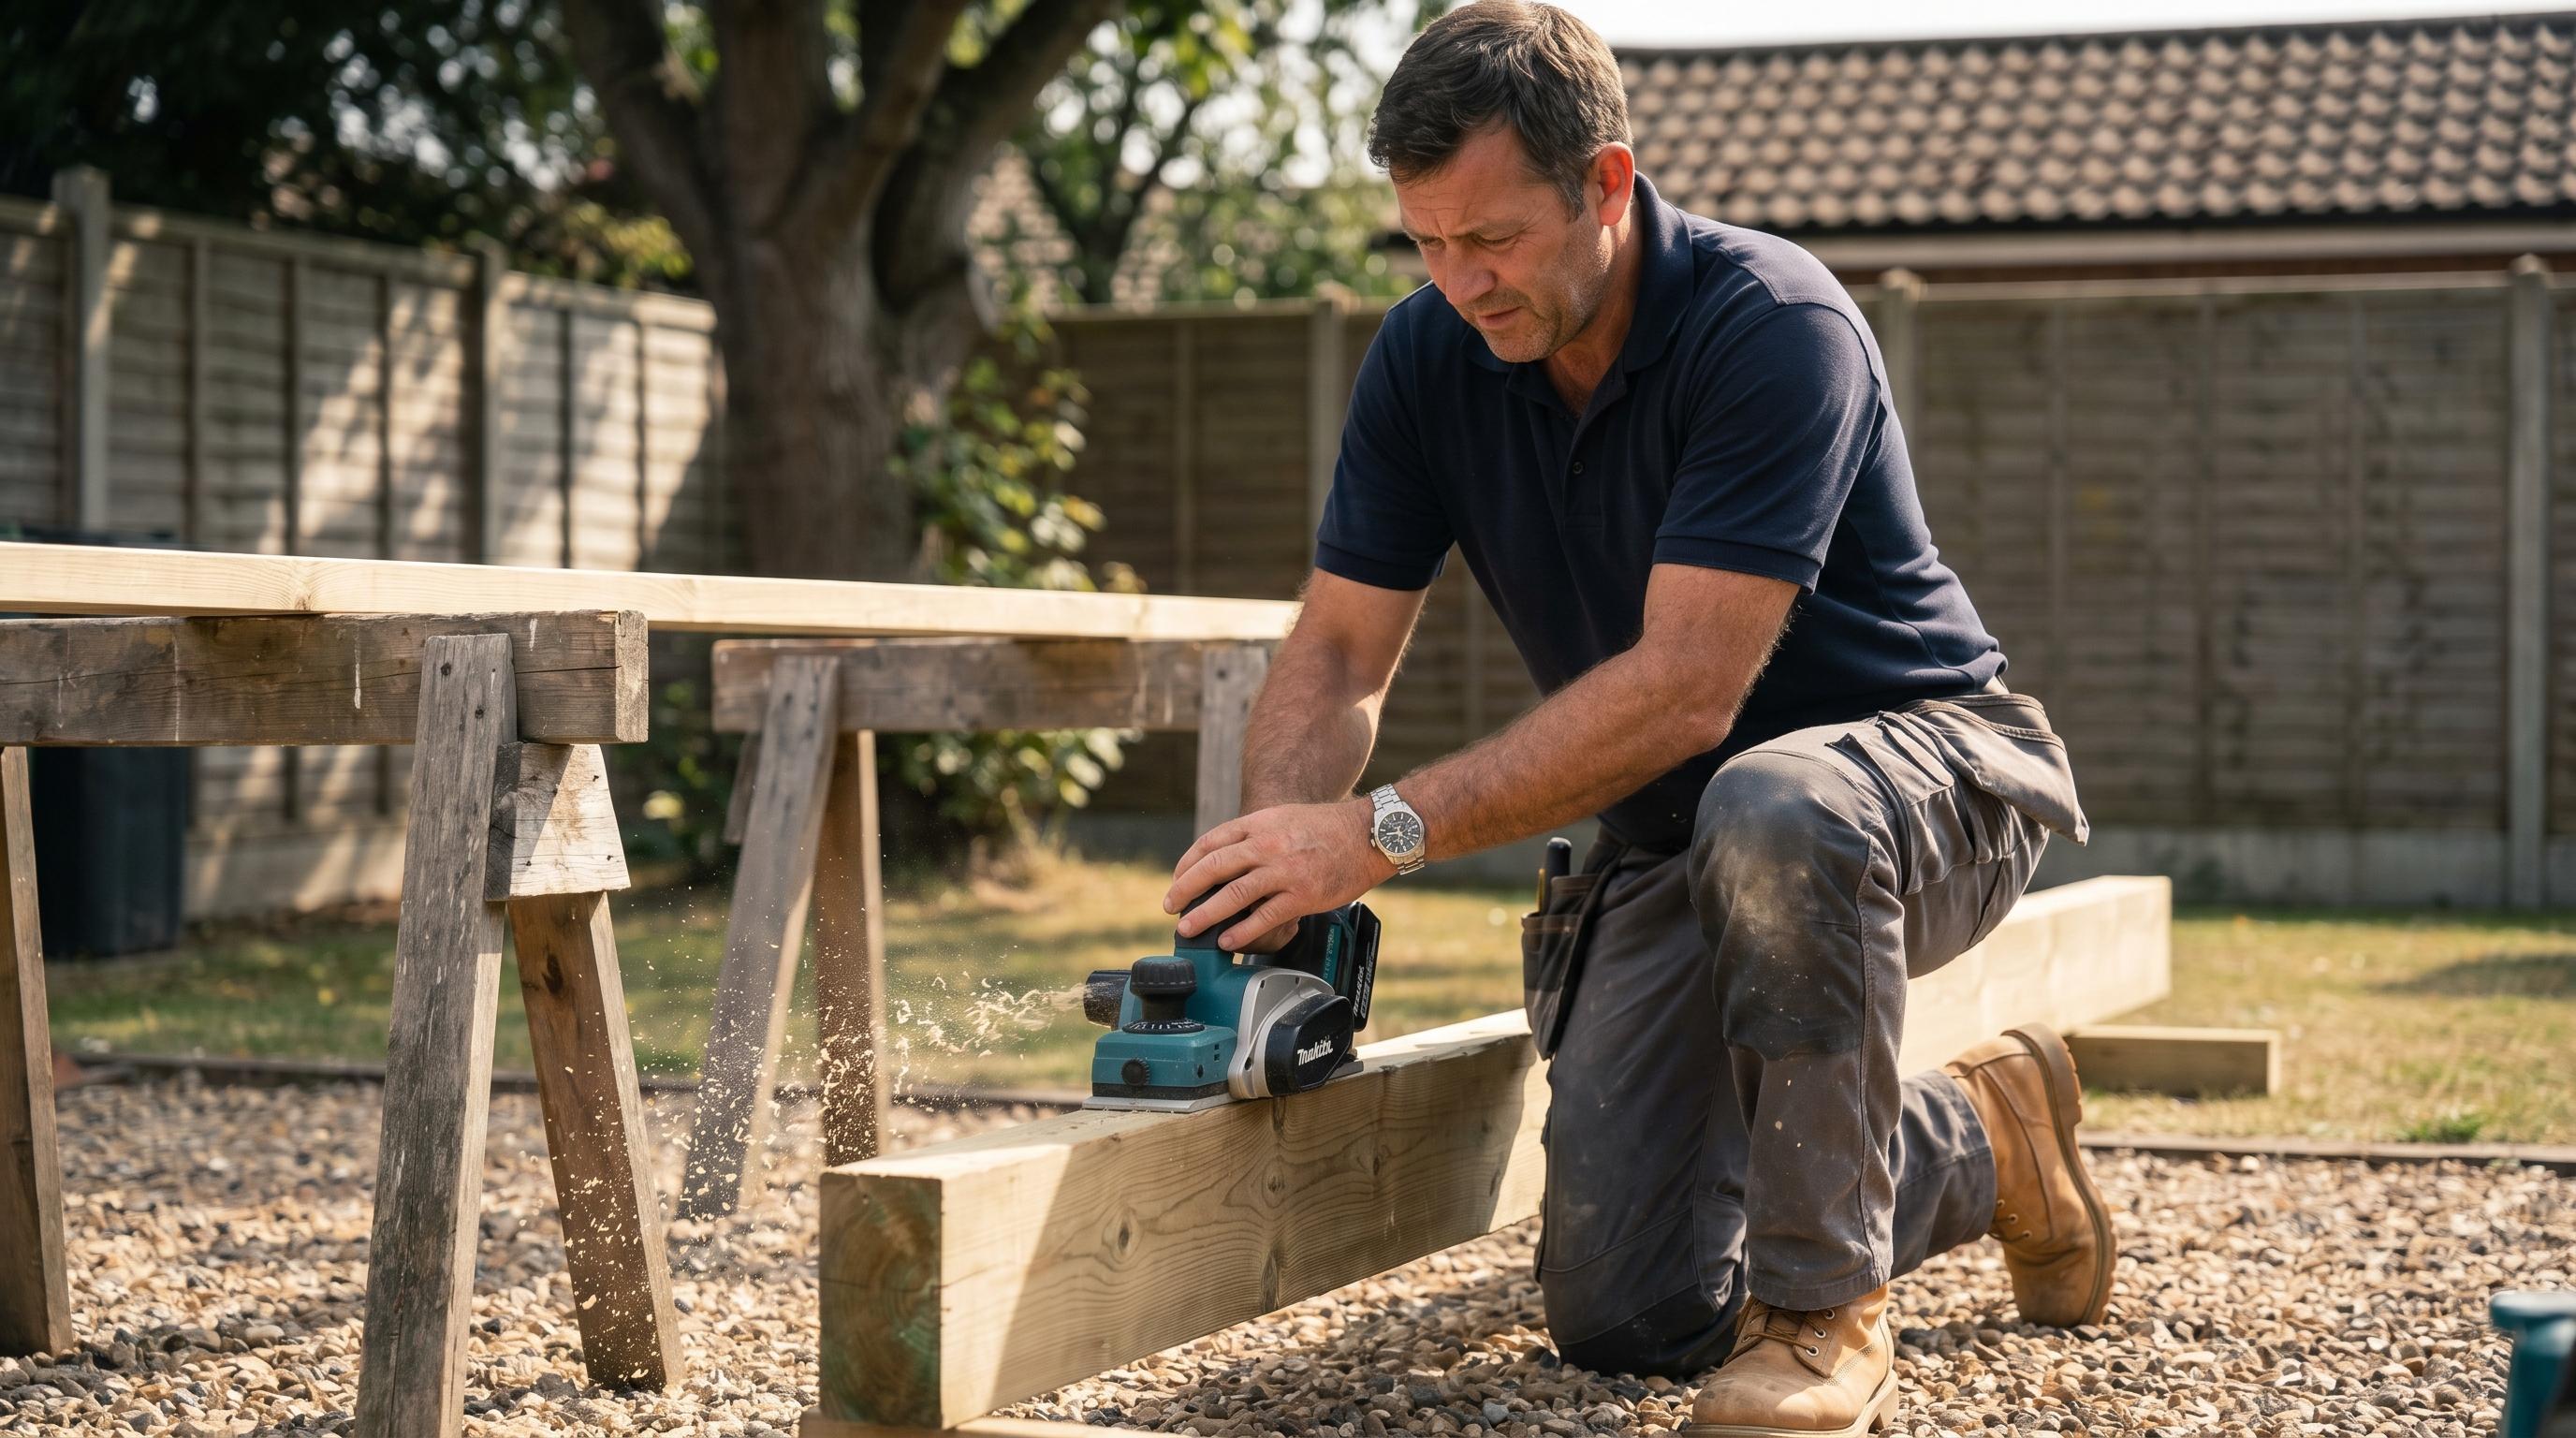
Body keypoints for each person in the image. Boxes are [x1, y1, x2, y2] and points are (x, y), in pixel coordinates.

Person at [1159, 3, 2112, 1433]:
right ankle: (1988, 1135)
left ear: (1606, 183)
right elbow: (1342, 651)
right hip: (1689, 830)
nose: (1458, 280)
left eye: (1492, 239)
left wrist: (1382, 830)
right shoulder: (1428, 361)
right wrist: (1269, 893)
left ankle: (1823, 1321)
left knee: (1778, 805)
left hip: (1927, 782)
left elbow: (1688, 688)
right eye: (1424, 241)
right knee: (1631, 1307)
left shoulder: (1773, 327)